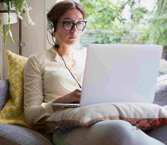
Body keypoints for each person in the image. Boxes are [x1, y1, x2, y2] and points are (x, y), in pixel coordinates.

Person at [23, 0, 167, 144]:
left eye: (79, 23)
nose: (74, 30)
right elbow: (30, 116)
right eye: (67, 23)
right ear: (51, 27)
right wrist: (61, 101)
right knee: (119, 129)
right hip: (65, 128)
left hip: (101, 116)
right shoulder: (37, 60)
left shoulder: (90, 56)